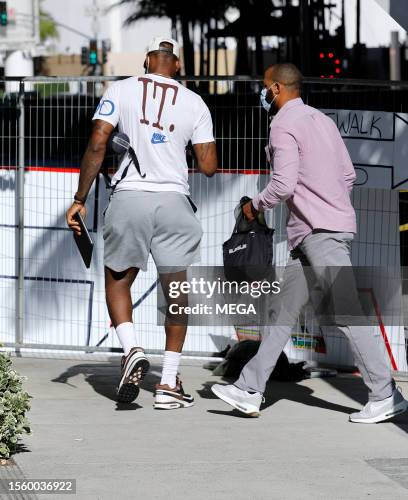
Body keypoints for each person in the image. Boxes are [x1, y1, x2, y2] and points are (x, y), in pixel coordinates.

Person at [212, 62, 408, 422]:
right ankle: (249, 389)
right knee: (281, 316)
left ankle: (384, 394)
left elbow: (283, 184)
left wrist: (254, 207)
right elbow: (348, 175)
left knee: (348, 315)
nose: (262, 92)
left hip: (320, 234)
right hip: (313, 233)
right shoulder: (322, 121)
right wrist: (326, 203)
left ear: (275, 89)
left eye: (264, 86)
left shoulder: (283, 125)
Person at [66, 37, 217, 409]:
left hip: (130, 197)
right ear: (177, 65)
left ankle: (132, 347)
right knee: (177, 293)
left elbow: (98, 143)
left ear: (147, 60)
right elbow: (209, 167)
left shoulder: (120, 89)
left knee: (118, 281)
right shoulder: (195, 102)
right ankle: (167, 384)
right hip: (175, 202)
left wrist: (80, 198)